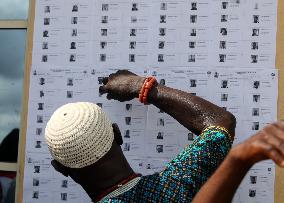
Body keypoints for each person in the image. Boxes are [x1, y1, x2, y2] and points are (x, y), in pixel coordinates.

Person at [46, 70, 236, 202]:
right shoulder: (171, 190)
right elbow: (221, 123)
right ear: (117, 134)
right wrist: (140, 86)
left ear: (60, 169)